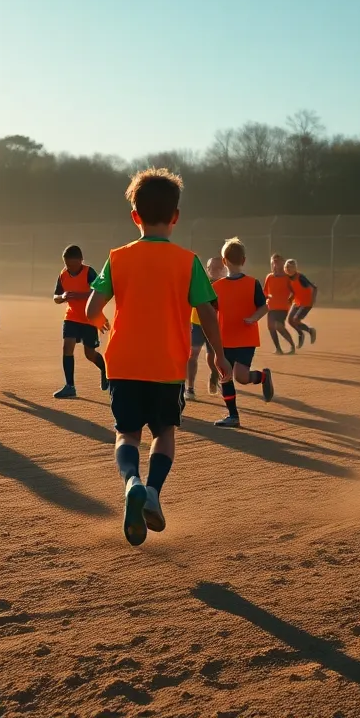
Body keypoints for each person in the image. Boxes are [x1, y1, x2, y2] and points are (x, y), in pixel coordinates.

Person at [87, 168, 226, 547]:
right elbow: (208, 312)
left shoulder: (117, 258)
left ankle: (130, 481)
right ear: (176, 216)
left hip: (124, 363)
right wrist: (218, 355)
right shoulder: (188, 262)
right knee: (164, 433)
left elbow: (91, 306)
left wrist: (100, 319)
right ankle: (152, 490)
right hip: (167, 366)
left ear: (135, 216)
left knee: (126, 433)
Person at [212, 238, 275, 427]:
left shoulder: (252, 283)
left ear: (223, 261)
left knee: (241, 376)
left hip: (245, 338)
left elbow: (264, 307)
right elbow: (210, 311)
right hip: (224, 338)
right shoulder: (216, 287)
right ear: (244, 260)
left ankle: (263, 376)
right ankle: (233, 416)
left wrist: (254, 317)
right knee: (226, 373)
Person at [53, 244, 109, 398]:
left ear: (81, 260)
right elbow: (55, 297)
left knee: (89, 354)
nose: (69, 268)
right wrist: (62, 297)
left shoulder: (89, 272)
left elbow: (98, 293)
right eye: (66, 264)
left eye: (72, 264)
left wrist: (78, 296)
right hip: (71, 317)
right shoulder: (63, 274)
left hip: (88, 318)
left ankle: (105, 370)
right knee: (67, 347)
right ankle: (70, 386)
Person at [186, 256, 227, 400]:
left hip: (213, 325)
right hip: (196, 324)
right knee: (193, 355)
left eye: (219, 268)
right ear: (207, 270)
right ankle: (190, 388)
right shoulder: (200, 283)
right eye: (211, 268)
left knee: (213, 357)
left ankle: (215, 376)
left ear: (224, 269)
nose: (215, 271)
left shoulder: (225, 286)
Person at [263, 253, 296, 354]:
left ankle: (292, 346)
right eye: (273, 262)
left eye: (278, 262)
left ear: (283, 264)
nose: (275, 265)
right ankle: (278, 349)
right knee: (270, 326)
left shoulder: (287, 278)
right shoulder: (269, 277)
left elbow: (294, 291)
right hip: (271, 307)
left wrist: (290, 300)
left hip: (283, 307)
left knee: (278, 325)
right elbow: (265, 291)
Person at [284, 258, 318, 347]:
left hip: (306, 303)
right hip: (297, 302)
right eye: (287, 267)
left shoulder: (301, 277)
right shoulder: (287, 278)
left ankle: (310, 331)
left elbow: (314, 287)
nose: (288, 269)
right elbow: (294, 291)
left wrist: (313, 299)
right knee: (290, 321)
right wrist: (290, 299)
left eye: (290, 267)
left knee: (296, 320)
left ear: (295, 268)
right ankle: (301, 334)